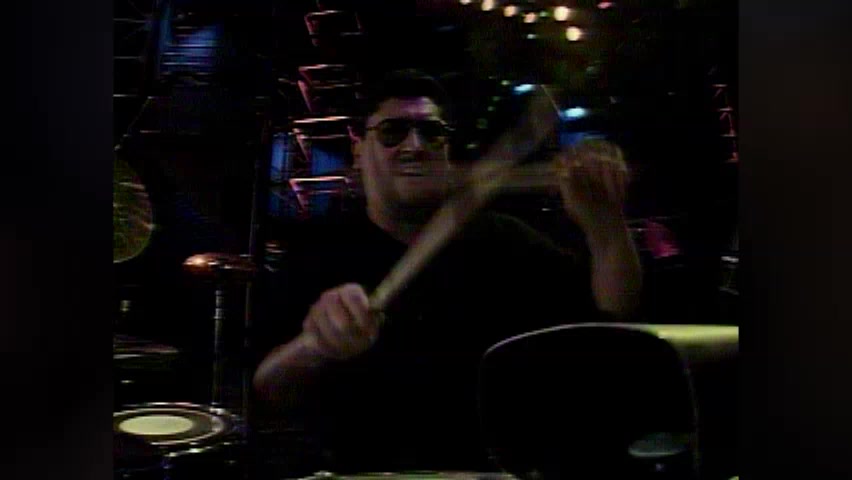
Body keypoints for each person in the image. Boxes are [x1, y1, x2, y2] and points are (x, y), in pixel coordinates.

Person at [251, 69, 643, 474]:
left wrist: (606, 227)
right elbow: (267, 387)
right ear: (358, 150)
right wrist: (315, 345)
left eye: (431, 132)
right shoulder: (318, 251)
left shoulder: (505, 243)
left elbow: (610, 320)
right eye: (392, 132)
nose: (415, 145)